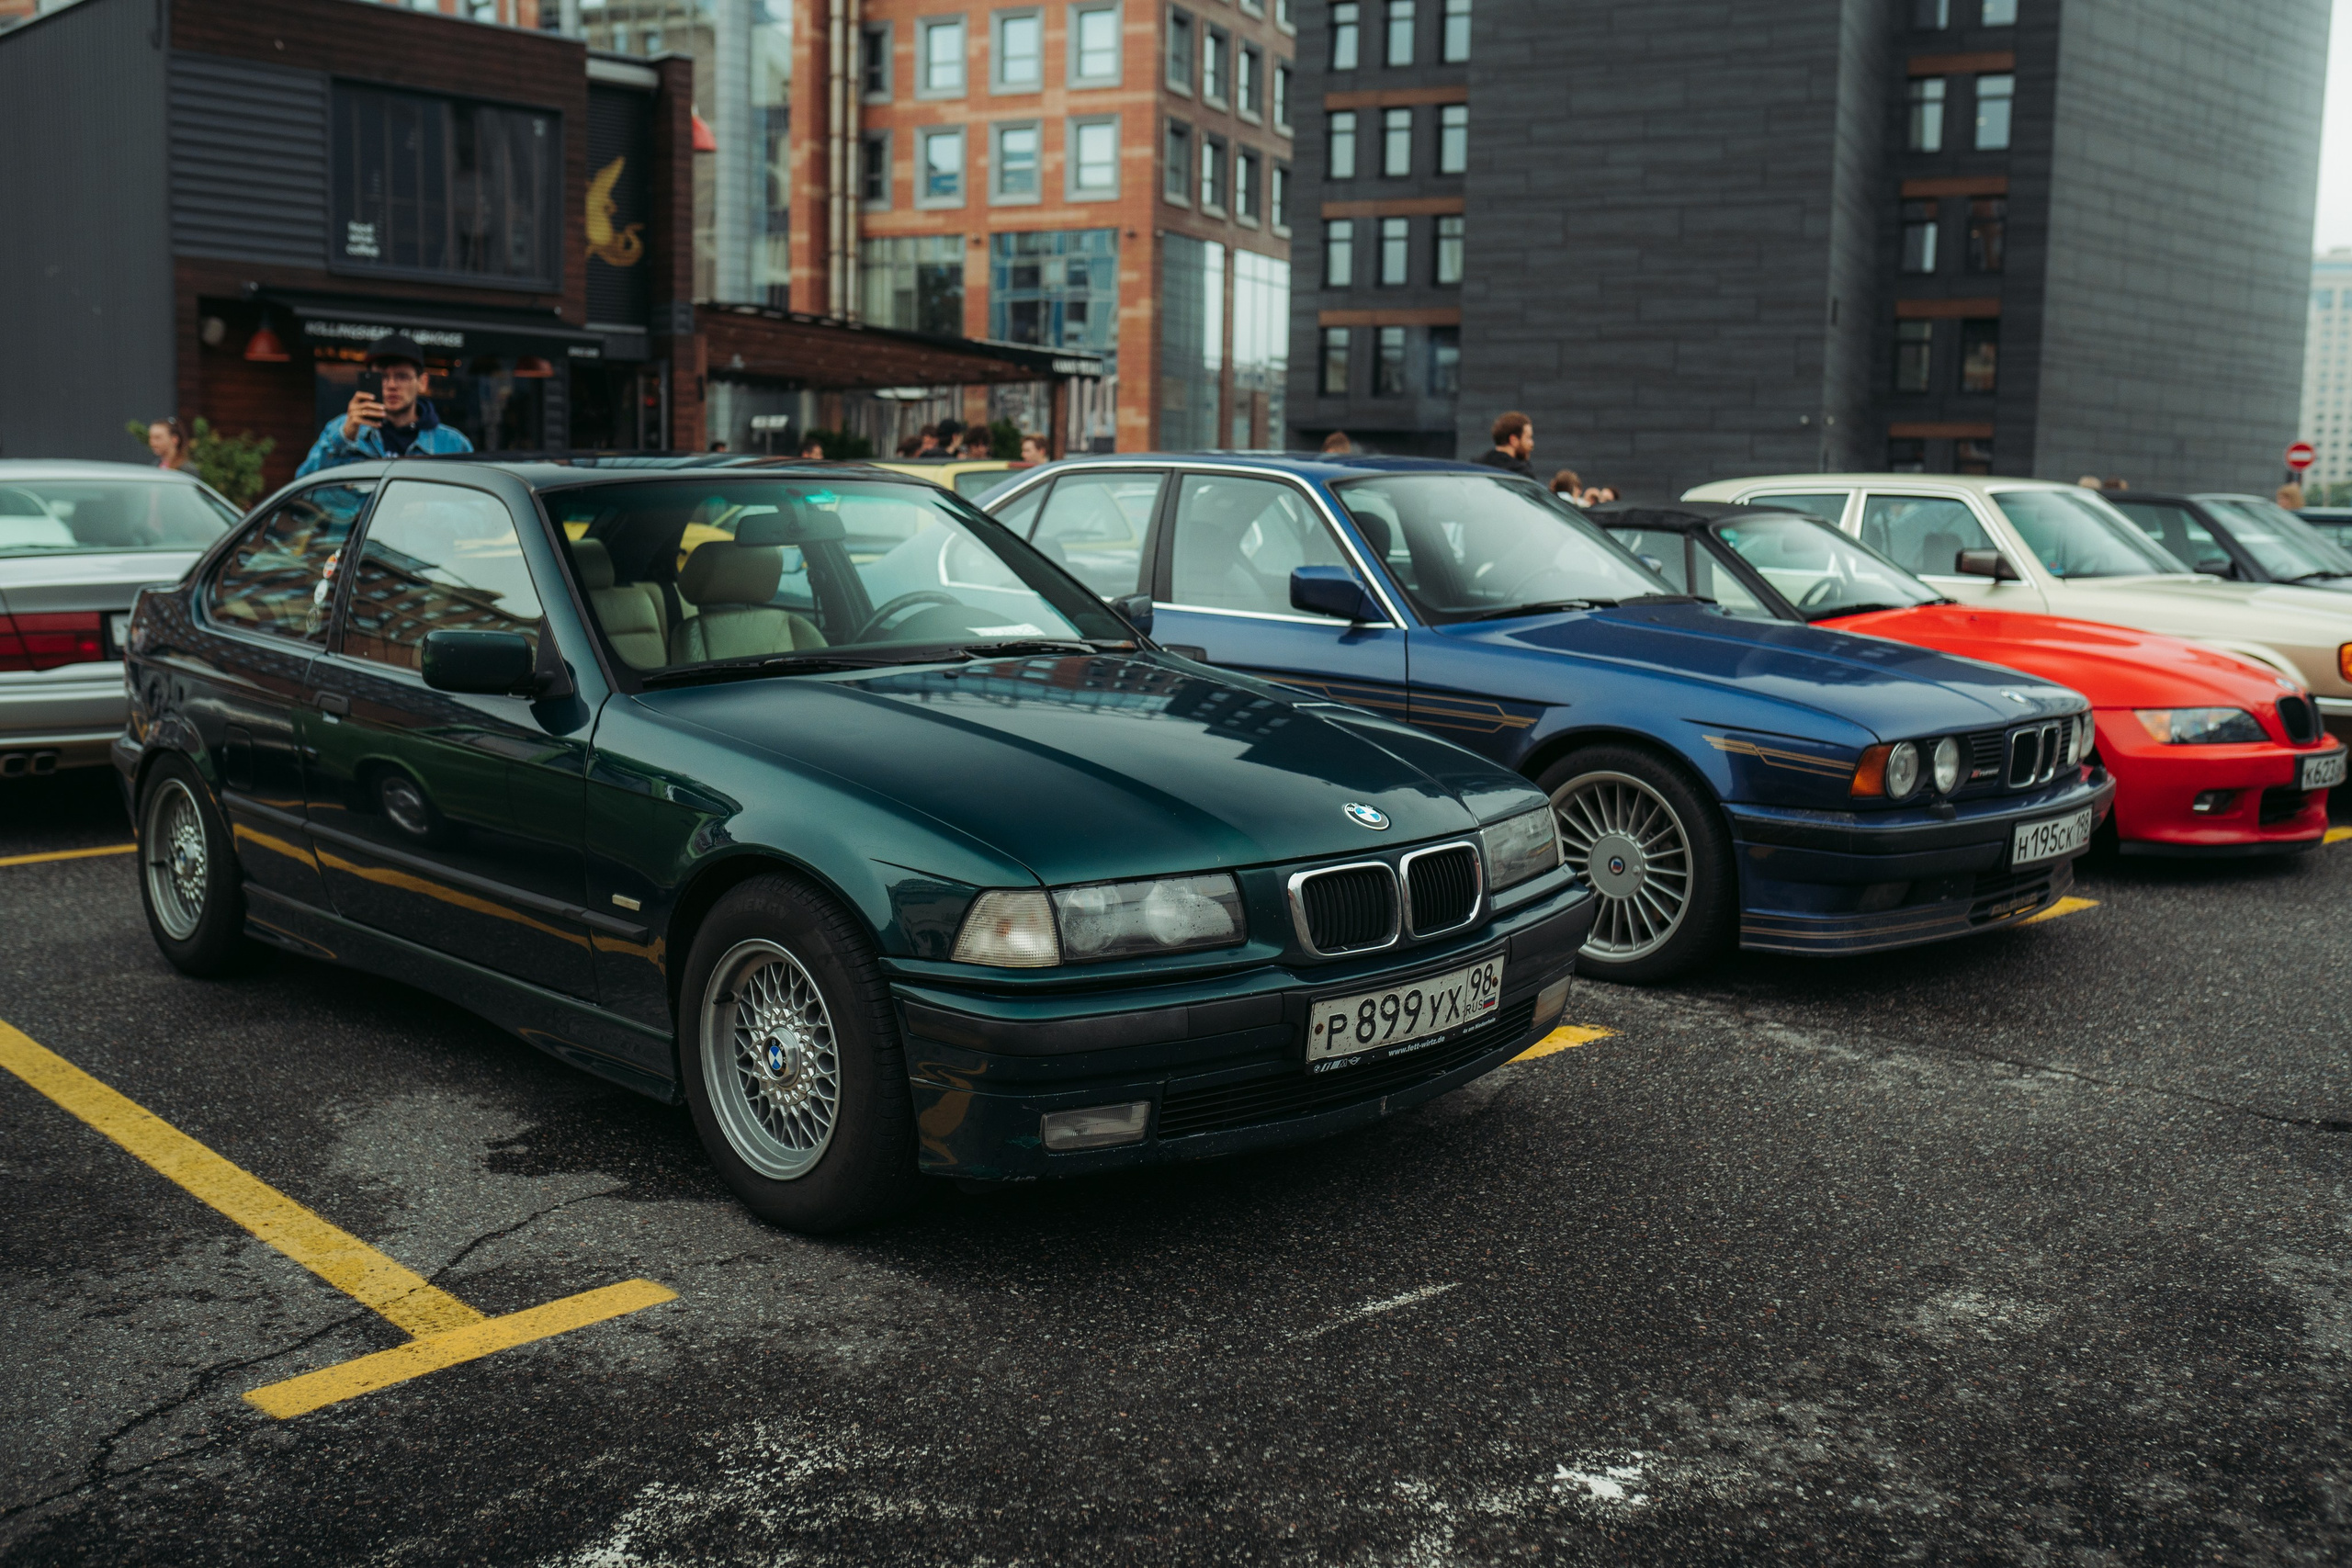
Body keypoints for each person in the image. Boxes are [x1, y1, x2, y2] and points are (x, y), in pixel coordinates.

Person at [296, 333, 473, 477]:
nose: (391, 385)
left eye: (402, 376)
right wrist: (344, 438)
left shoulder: (454, 444)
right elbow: (304, 487)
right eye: (381, 376)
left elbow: (474, 506)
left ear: (422, 382)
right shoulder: (343, 431)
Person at [1474, 412, 1535, 478]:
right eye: (1528, 438)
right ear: (1513, 440)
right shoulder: (1521, 474)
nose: (1531, 444)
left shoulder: (1475, 467)